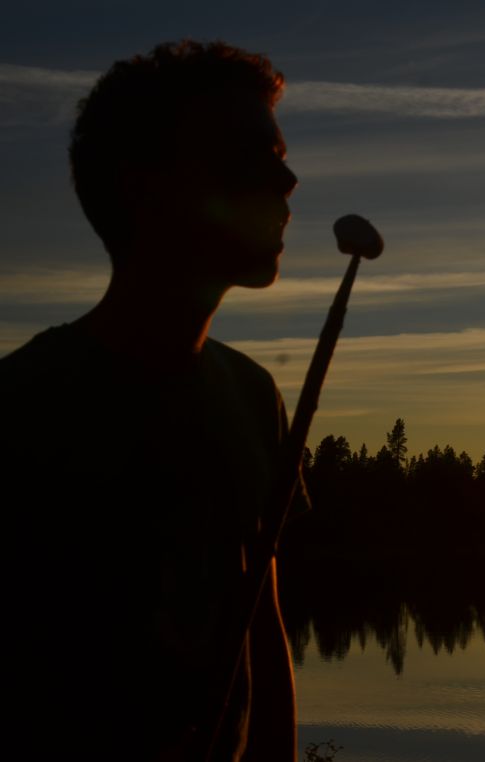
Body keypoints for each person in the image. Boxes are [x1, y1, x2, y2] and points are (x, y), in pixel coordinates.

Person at [0, 40, 305, 760]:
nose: (287, 180)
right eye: (248, 156)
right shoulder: (21, 408)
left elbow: (261, 625)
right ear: (144, 187)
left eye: (280, 156)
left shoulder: (253, 395)